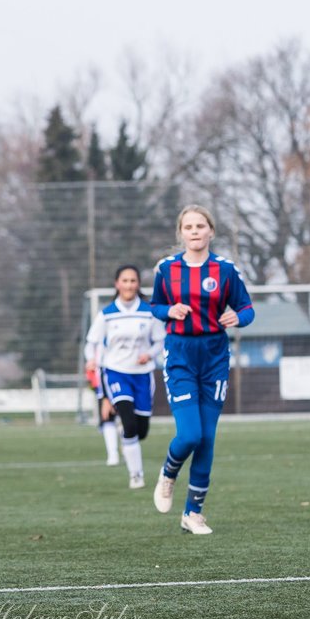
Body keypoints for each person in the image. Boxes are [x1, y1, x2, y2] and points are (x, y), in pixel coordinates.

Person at [149, 205, 254, 534]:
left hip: (214, 356)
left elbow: (247, 308)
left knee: (207, 438)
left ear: (211, 231)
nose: (194, 231)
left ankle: (193, 513)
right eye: (188, 226)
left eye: (200, 225)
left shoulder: (225, 270)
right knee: (190, 434)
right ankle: (168, 473)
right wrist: (169, 309)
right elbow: (154, 306)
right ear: (181, 233)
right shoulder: (166, 269)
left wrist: (238, 317)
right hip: (180, 354)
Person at [83, 265, 166, 490]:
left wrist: (148, 354)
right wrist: (91, 360)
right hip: (115, 372)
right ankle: (136, 475)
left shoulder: (149, 312)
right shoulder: (107, 314)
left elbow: (160, 341)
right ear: (117, 284)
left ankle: (126, 437)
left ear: (138, 284)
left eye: (133, 281)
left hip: (142, 375)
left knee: (141, 431)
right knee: (128, 423)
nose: (129, 285)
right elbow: (91, 344)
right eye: (125, 281)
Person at [87, 364, 121, 467]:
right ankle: (113, 453)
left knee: (127, 418)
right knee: (107, 418)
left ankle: (126, 439)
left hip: (121, 378)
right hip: (103, 384)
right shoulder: (92, 348)